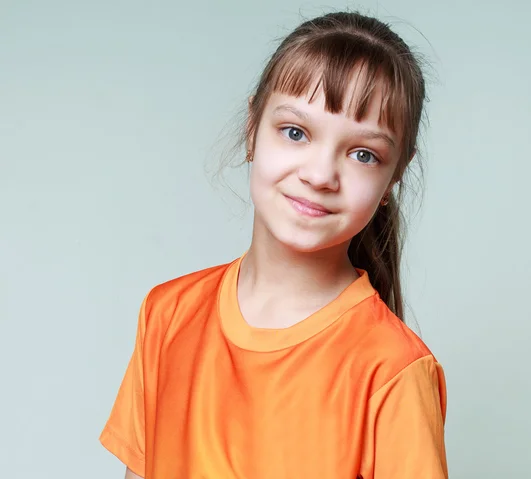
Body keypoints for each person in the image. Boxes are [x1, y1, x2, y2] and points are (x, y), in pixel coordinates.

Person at [100, 11, 448, 479]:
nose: (320, 174)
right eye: (296, 132)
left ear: (391, 179)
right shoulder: (167, 314)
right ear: (252, 129)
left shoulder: (393, 370)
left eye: (363, 154)